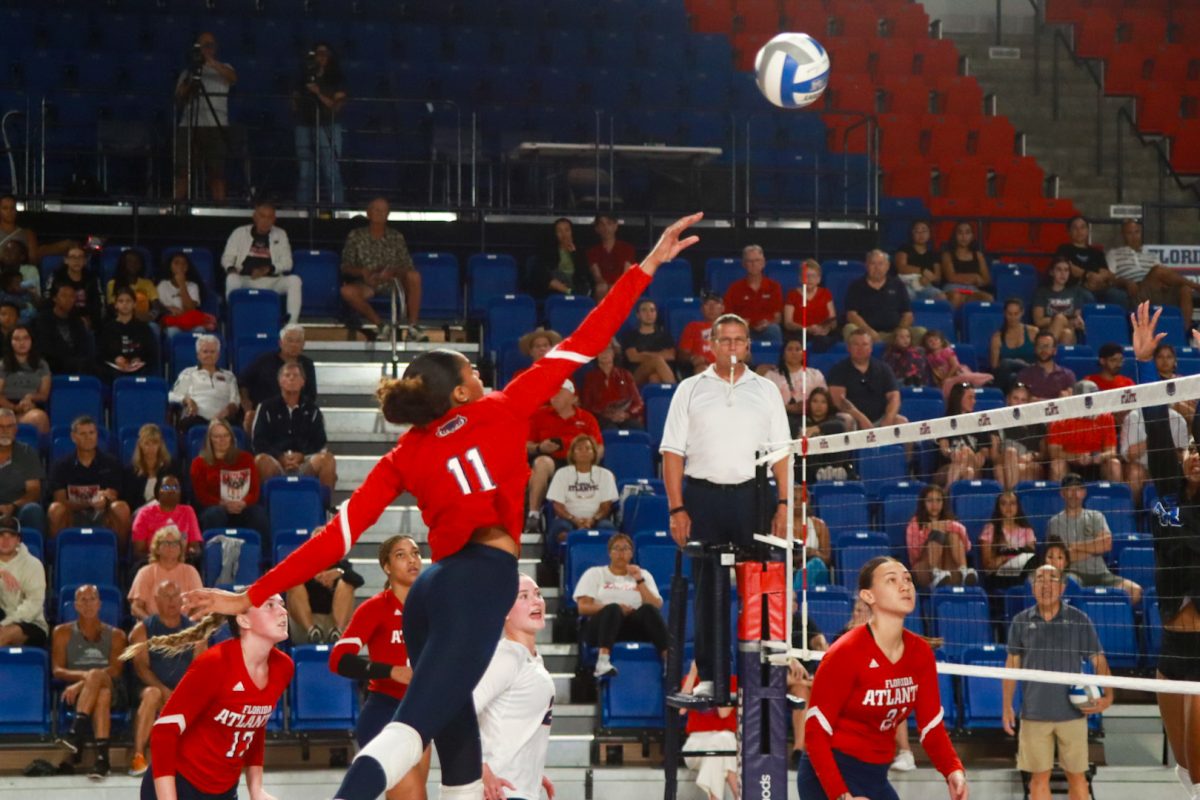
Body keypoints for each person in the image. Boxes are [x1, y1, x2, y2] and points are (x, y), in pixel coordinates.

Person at [181, 212, 704, 800]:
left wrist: (250, 592)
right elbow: (586, 339)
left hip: (434, 587)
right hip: (479, 581)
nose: (479, 370)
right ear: (459, 391)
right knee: (409, 729)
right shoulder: (504, 405)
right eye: (470, 369)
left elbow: (335, 538)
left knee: (458, 748)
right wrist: (648, 266)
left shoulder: (405, 452)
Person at [661, 310, 791, 697]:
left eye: (739, 340)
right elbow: (672, 453)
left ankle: (766, 674)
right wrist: (676, 508)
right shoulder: (690, 389)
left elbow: (781, 452)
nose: (732, 346)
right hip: (703, 497)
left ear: (748, 346)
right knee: (707, 589)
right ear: (711, 345)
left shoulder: (766, 390)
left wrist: (784, 503)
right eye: (725, 340)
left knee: (764, 585)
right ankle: (711, 677)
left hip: (755, 496)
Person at [796, 556, 968, 800]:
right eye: (892, 580)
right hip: (828, 773)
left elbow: (931, 727)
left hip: (875, 775)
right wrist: (841, 796)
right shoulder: (845, 652)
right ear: (868, 596)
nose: (905, 585)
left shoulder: (920, 653)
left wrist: (952, 770)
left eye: (907, 579)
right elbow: (815, 732)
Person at [120, 593, 292, 800]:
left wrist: (256, 788)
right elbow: (164, 732)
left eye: (282, 605)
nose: (283, 611)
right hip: (179, 784)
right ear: (243, 619)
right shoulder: (215, 663)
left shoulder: (283, 667)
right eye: (270, 605)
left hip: (224, 789)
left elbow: (254, 724)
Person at [1130, 301, 1200, 798]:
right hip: (1171, 644)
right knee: (1184, 764)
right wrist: (1142, 363)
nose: (1195, 456)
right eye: (1191, 450)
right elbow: (1156, 428)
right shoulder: (1168, 494)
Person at [328, 535, 431, 800]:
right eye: (401, 555)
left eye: (416, 553)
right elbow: (338, 659)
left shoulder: (434, 609)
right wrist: (391, 671)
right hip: (385, 714)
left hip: (422, 714)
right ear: (386, 567)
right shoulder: (375, 608)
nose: (412, 559)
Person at [1002, 563, 1112, 800]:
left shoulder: (1078, 620)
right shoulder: (1021, 622)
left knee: (1077, 777)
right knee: (1039, 778)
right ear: (1033, 587)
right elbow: (1011, 666)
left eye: (1052, 579)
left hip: (1072, 714)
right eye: (1040, 579)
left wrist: (1109, 695)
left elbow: (1098, 660)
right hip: (1034, 714)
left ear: (1062, 587)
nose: (1046, 585)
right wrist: (1006, 706)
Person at [474, 574, 556, 800]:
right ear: (504, 611)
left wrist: (532, 771)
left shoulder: (531, 659)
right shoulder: (506, 657)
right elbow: (458, 714)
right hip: (500, 792)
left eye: (538, 594)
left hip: (520, 788)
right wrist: (480, 767)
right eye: (523, 596)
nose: (536, 601)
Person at [125, 580, 203, 778]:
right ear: (156, 601)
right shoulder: (142, 629)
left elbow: (200, 668)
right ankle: (138, 756)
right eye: (166, 596)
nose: (172, 601)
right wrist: (164, 690)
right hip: (151, 688)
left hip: (183, 691)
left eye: (175, 596)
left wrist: (180, 693)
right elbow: (141, 668)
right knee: (152, 694)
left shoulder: (195, 631)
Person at [52, 584, 128, 780]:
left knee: (98, 677)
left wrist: (83, 681)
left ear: (99, 604)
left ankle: (76, 732)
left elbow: (115, 670)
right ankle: (103, 759)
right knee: (102, 695)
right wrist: (88, 680)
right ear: (75, 605)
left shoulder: (117, 635)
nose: (87, 604)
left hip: (112, 685)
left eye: (92, 599)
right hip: (88, 694)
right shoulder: (62, 632)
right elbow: (57, 670)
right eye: (82, 600)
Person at [573, 532, 668, 678]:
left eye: (625, 549)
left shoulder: (643, 574)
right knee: (613, 608)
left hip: (633, 627)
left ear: (631, 553)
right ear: (609, 553)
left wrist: (639, 580)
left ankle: (669, 662)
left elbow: (656, 605)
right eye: (616, 548)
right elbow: (583, 607)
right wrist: (616, 607)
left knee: (648, 610)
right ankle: (602, 662)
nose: (620, 553)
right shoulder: (595, 573)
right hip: (602, 627)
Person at [1045, 473, 1141, 604]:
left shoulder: (1096, 516)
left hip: (1101, 574)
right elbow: (1061, 558)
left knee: (1135, 591)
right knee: (1067, 588)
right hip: (1072, 574)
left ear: (1084, 492)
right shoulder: (1054, 522)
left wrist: (1075, 546)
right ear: (1062, 493)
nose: (1074, 494)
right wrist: (1095, 547)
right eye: (1069, 490)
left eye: (1078, 489)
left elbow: (1107, 545)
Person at [524, 379, 603, 533]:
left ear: (572, 397)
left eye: (559, 392)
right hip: (551, 459)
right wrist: (540, 447)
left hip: (577, 460)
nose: (554, 396)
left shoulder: (586, 418)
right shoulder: (539, 415)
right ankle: (533, 515)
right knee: (542, 462)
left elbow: (599, 446)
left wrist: (590, 460)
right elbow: (525, 445)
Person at [339, 196, 424, 341]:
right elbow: (345, 267)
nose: (380, 214)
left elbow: (407, 266)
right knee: (346, 291)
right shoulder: (356, 235)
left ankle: (413, 327)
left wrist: (392, 272)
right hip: (368, 283)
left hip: (394, 283)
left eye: (384, 211)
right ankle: (381, 326)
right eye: (376, 210)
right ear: (368, 213)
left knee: (414, 276)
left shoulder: (396, 236)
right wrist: (363, 272)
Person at [47, 415, 132, 547]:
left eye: (92, 433)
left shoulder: (111, 463)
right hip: (72, 514)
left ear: (97, 435)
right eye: (83, 434)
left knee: (121, 508)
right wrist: (89, 503)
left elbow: (114, 494)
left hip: (102, 514)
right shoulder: (61, 465)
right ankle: (56, 557)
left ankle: (119, 559)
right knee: (55, 509)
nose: (88, 437)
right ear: (73, 437)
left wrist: (107, 499)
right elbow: (60, 500)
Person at [251, 362, 337, 491]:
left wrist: (301, 456)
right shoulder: (266, 407)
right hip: (276, 461)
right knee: (261, 460)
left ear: (303, 382)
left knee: (327, 459)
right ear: (280, 381)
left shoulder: (312, 410)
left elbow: (320, 442)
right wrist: (280, 456)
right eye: (287, 375)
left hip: (304, 462)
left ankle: (324, 508)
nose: (291, 378)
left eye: (296, 375)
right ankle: (265, 507)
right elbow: (258, 441)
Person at [174, 31, 236, 201]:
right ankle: (176, 206)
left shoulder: (225, 67)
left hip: (216, 126)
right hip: (190, 125)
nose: (207, 48)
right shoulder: (188, 72)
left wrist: (211, 63)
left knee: (217, 172)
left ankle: (219, 210)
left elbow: (232, 78)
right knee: (182, 170)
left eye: (210, 45)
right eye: (204, 45)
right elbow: (180, 96)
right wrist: (194, 77)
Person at [220, 201, 303, 324]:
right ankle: (235, 319)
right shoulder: (240, 232)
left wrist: (268, 269)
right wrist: (231, 268)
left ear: (274, 219)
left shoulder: (280, 234)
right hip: (245, 279)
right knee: (231, 278)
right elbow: (227, 257)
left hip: (271, 280)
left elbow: (287, 263)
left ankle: (291, 325)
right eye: (262, 216)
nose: (266, 221)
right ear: (255, 217)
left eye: (270, 217)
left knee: (295, 280)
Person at [190, 418, 270, 541]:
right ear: (209, 439)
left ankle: (264, 557)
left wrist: (243, 503)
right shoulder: (199, 463)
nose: (222, 440)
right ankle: (212, 554)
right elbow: (200, 495)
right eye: (217, 436)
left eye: (225, 436)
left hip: (242, 506)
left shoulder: (246, 459)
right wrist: (222, 504)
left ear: (231, 438)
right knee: (215, 514)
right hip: (214, 507)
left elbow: (254, 491)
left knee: (258, 514)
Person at [1109, 218, 1200, 324]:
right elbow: (1111, 279)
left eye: (1137, 232)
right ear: (1123, 235)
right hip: (1138, 291)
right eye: (1129, 233)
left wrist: (1165, 284)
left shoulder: (1151, 255)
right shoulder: (1113, 254)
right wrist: (1126, 282)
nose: (1134, 236)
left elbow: (1165, 276)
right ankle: (1197, 286)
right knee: (1157, 270)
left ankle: (1184, 333)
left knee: (1185, 289)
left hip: (1157, 292)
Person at [293, 42, 347, 205]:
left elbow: (336, 107)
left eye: (325, 53)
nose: (321, 56)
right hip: (304, 124)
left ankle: (336, 208)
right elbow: (294, 102)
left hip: (327, 125)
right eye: (318, 53)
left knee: (331, 170)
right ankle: (303, 210)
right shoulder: (304, 76)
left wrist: (318, 93)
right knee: (305, 172)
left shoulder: (338, 78)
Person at [238, 323, 317, 432]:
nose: (294, 345)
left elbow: (311, 395)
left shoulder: (307, 364)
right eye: (290, 340)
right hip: (264, 416)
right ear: (280, 343)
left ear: (303, 344)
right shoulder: (264, 361)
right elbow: (243, 381)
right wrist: (247, 407)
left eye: (298, 341)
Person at [545, 434, 618, 552]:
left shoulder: (605, 475)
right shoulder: (562, 473)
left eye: (588, 448)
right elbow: (557, 506)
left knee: (607, 528)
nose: (584, 452)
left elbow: (606, 506)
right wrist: (574, 520)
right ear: (572, 453)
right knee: (561, 529)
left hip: (597, 519)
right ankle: (561, 563)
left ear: (594, 452)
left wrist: (592, 520)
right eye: (579, 449)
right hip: (568, 519)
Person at [680, 661, 740, 800]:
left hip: (723, 743)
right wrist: (693, 673)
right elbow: (681, 709)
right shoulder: (691, 680)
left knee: (720, 745)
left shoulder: (732, 682)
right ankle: (739, 794)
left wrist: (719, 682)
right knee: (723, 745)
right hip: (696, 744)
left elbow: (723, 712)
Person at [827, 328, 905, 430]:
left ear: (871, 348)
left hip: (881, 419)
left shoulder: (884, 369)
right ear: (848, 348)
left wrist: (888, 418)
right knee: (846, 420)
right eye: (856, 344)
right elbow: (840, 402)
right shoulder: (838, 370)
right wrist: (861, 419)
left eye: (864, 344)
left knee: (902, 422)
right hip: (854, 419)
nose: (860, 348)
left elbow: (894, 397)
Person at [1045, 381, 1122, 482]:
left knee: (1114, 464)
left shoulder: (1106, 417)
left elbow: (1111, 451)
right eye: (1087, 400)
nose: (1091, 403)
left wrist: (1098, 457)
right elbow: (1054, 453)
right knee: (1057, 465)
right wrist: (1076, 457)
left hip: (1097, 465)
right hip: (1070, 464)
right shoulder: (1060, 418)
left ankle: (1117, 497)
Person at [905, 484, 977, 589]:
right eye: (930, 501)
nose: (935, 505)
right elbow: (914, 555)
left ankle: (963, 569)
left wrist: (942, 525)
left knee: (953, 535)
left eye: (938, 500)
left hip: (949, 570)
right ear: (923, 503)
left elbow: (967, 546)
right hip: (925, 570)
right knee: (937, 534)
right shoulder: (915, 523)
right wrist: (930, 531)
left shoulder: (950, 521)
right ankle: (936, 572)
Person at [128, 525, 203, 621]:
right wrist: (152, 624)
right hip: (153, 629)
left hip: (185, 629)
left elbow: (200, 605)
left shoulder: (190, 571)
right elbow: (136, 608)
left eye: (175, 543)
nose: (170, 547)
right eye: (166, 543)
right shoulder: (145, 572)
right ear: (157, 548)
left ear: (181, 549)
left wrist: (186, 625)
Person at [841, 249, 916, 344]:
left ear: (887, 266)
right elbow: (851, 315)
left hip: (894, 335)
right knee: (849, 328)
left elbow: (908, 314)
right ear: (866, 265)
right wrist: (869, 331)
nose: (877, 268)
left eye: (881, 264)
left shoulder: (898, 285)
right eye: (873, 264)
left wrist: (899, 331)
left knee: (920, 332)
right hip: (865, 335)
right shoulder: (856, 286)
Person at [169, 334, 240, 433]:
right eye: (205, 352)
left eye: (212, 352)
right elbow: (172, 395)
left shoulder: (229, 376)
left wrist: (228, 410)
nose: (209, 355)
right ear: (198, 354)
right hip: (196, 417)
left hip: (223, 418)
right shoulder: (188, 373)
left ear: (218, 355)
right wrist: (187, 400)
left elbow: (235, 400)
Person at [1120, 404, 1188, 503]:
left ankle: (1177, 505)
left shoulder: (1178, 419)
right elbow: (1129, 455)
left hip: (1168, 467)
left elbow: (1182, 455)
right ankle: (1136, 510)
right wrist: (1153, 437)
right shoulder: (1133, 417)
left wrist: (1165, 441)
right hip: (1142, 468)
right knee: (1135, 473)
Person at [287, 556, 362, 645]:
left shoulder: (342, 566)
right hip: (304, 625)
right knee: (295, 585)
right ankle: (312, 631)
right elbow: (285, 577)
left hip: (332, 623)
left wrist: (340, 573)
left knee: (346, 584)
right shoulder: (301, 562)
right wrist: (312, 576)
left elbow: (359, 580)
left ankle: (338, 631)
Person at [131, 474, 201, 565]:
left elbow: (195, 546)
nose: (172, 490)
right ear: (158, 492)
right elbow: (138, 551)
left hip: (182, 563)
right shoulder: (144, 513)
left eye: (176, 487)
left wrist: (191, 552)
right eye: (166, 487)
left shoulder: (188, 511)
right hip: (153, 563)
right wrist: (163, 559)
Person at [0, 513, 48, 648]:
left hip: (30, 623)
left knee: (5, 635)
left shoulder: (33, 565)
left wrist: (4, 624)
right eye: (1, 535)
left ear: (18, 540)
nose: (5, 540)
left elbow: (33, 606)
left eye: (11, 536)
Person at [978, 491, 1038, 592]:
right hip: (999, 576)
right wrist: (1007, 558)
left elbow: (1030, 560)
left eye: (1012, 503)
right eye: (1004, 503)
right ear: (998, 507)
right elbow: (987, 565)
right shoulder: (990, 529)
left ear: (1018, 506)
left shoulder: (1027, 531)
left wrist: (1006, 558)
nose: (1008, 507)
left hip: (1022, 574)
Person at [1058, 215, 1123, 306]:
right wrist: (1089, 275)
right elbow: (1071, 270)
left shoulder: (1097, 253)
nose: (1079, 231)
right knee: (1087, 296)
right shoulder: (1064, 249)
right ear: (1069, 232)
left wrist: (1088, 275)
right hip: (1076, 287)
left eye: (1082, 227)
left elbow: (1105, 273)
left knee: (1117, 295)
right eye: (1075, 228)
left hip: (1099, 287)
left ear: (1088, 231)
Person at [765, 338, 826, 436]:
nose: (794, 352)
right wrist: (788, 408)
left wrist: (808, 406)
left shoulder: (815, 374)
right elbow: (766, 403)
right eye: (790, 349)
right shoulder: (771, 376)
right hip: (782, 417)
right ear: (783, 354)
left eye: (798, 349)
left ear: (803, 354)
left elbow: (824, 399)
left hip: (811, 417)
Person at [724, 244, 783, 345]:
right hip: (743, 329)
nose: (753, 264)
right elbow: (728, 315)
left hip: (767, 328)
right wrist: (741, 323)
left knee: (774, 329)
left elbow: (778, 316)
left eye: (757, 260)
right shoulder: (735, 288)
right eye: (749, 261)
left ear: (763, 263)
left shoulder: (774, 286)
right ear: (744, 264)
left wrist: (768, 323)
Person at [991, 382, 1046, 490]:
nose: (1019, 403)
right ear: (1008, 400)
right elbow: (994, 457)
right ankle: (1013, 498)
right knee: (1006, 459)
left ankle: (1008, 498)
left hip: (1031, 464)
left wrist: (1032, 456)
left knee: (1001, 470)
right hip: (1007, 462)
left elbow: (1045, 454)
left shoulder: (1038, 424)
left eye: (1023, 400)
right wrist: (1011, 458)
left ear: (1028, 402)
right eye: (1015, 398)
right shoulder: (997, 421)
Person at [98, 286, 159, 383]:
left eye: (128, 301)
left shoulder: (143, 328)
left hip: (139, 371)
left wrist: (139, 359)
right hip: (113, 372)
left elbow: (152, 353)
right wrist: (115, 359)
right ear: (116, 305)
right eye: (121, 301)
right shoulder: (107, 328)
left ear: (134, 304)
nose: (125, 304)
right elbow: (100, 353)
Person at [581, 340, 644, 430]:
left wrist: (627, 414)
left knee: (635, 428)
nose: (604, 353)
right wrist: (607, 414)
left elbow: (638, 403)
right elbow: (586, 406)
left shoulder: (626, 375)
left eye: (608, 349)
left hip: (625, 416)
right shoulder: (590, 378)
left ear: (613, 353)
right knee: (610, 429)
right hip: (603, 418)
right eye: (600, 350)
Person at [35, 281, 95, 375]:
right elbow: (45, 349)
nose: (69, 299)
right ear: (55, 298)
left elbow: (83, 347)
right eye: (64, 296)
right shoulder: (42, 320)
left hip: (77, 366)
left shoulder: (77, 321)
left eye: (72, 296)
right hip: (52, 366)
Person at [0, 408, 46, 532]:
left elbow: (34, 491)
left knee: (33, 510)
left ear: (15, 430)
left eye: (9, 426)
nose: (4, 431)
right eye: (0, 427)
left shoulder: (27, 453)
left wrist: (12, 506)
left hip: (17, 508)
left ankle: (32, 550)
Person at [934, 384, 989, 486]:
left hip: (973, 465)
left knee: (966, 453)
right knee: (966, 470)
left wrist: (981, 455)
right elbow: (944, 448)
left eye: (974, 398)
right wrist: (952, 453)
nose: (974, 401)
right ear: (958, 399)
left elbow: (984, 450)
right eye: (970, 397)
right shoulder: (945, 421)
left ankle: (948, 495)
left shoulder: (978, 422)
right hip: (949, 466)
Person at [0, 324, 50, 433]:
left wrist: (30, 397)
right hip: (6, 409)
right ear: (10, 342)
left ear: (32, 340)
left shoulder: (42, 364)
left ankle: (38, 450)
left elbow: (44, 394)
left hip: (31, 407)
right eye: (16, 339)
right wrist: (14, 407)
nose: (21, 343)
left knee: (39, 417)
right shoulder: (3, 365)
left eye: (25, 338)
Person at [0, 193, 75, 263]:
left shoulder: (27, 233)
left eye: (12, 208)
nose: (9, 211)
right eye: (5, 208)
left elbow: (33, 259)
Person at [1031, 258, 1091, 346]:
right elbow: (1038, 321)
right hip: (1047, 331)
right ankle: (1051, 351)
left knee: (1066, 328)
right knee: (1065, 332)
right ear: (1051, 272)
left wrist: (1062, 319)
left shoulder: (1075, 292)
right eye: (1059, 269)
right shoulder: (1042, 292)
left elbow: (1076, 319)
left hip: (1070, 330)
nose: (1063, 274)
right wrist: (1058, 319)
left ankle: (1047, 349)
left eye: (1066, 270)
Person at [121, 423, 179, 514]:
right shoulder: (131, 470)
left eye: (155, 443)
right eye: (147, 443)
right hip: (141, 514)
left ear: (160, 444)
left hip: (167, 511)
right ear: (140, 445)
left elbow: (178, 495)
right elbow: (129, 501)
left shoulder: (171, 467)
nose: (151, 448)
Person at [783, 258, 838, 352]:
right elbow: (788, 323)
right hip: (799, 333)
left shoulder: (826, 293)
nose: (810, 279)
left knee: (827, 339)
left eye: (813, 276)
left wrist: (825, 329)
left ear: (819, 279)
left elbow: (833, 321)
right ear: (800, 278)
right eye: (806, 276)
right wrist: (807, 329)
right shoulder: (792, 294)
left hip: (822, 334)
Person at [619, 297, 677, 385]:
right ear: (638, 315)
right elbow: (633, 357)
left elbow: (671, 355)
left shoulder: (665, 335)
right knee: (657, 360)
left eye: (652, 310)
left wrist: (644, 354)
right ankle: (676, 393)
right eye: (644, 310)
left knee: (654, 378)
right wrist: (658, 356)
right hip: (636, 374)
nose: (649, 314)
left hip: (658, 374)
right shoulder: (630, 336)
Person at [156, 251, 216, 336]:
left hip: (190, 322)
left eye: (184, 264)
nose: (180, 266)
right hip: (173, 322)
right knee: (173, 331)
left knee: (199, 330)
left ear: (187, 268)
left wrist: (182, 284)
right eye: (176, 263)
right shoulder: (163, 285)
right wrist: (169, 308)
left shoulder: (193, 286)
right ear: (170, 266)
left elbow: (190, 309)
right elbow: (159, 307)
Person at [803, 388, 856, 481]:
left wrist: (817, 428)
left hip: (833, 464)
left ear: (828, 404)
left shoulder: (835, 420)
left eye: (823, 402)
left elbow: (839, 426)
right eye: (815, 401)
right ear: (809, 403)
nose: (818, 405)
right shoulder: (802, 422)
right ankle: (820, 473)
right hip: (810, 470)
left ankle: (836, 472)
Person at [47, 244, 104, 331]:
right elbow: (49, 301)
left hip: (87, 320)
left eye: (80, 257)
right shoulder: (57, 277)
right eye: (73, 257)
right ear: (66, 260)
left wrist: (91, 320)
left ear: (85, 261)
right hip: (62, 318)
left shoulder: (92, 278)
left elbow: (98, 304)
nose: (77, 261)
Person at [939, 220, 992, 310]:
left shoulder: (978, 255)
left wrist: (979, 281)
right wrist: (974, 277)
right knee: (956, 296)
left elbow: (986, 279)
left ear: (972, 236)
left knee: (987, 298)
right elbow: (951, 277)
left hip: (972, 290)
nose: (964, 237)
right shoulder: (947, 255)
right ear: (955, 236)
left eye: (967, 233)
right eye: (960, 233)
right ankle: (952, 323)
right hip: (953, 289)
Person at [533, 217, 592, 299]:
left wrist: (574, 253)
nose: (564, 234)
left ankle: (571, 292)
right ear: (555, 234)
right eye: (559, 231)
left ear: (572, 232)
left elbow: (584, 273)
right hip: (557, 284)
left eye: (567, 230)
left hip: (574, 283)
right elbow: (546, 272)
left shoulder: (580, 250)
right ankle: (570, 292)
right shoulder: (549, 251)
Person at [989, 298, 1039, 392]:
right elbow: (995, 368)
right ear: (1004, 313)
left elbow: (1041, 357)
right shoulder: (997, 337)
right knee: (1010, 370)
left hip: (1030, 374)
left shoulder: (1033, 332)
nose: (1013, 318)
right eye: (1009, 314)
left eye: (1016, 314)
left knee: (1013, 371)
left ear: (1022, 313)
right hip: (1006, 379)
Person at [923, 328, 991, 397]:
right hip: (944, 378)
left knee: (963, 378)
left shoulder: (946, 351)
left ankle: (986, 379)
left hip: (957, 372)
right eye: (930, 341)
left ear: (941, 341)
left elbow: (955, 365)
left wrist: (947, 378)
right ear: (926, 344)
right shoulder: (929, 357)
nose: (933, 342)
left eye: (936, 340)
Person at [893, 219, 945, 302]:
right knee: (909, 295)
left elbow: (937, 277)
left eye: (924, 231)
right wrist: (922, 270)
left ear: (929, 234)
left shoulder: (933, 254)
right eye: (917, 231)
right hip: (906, 284)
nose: (921, 234)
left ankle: (927, 313)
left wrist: (927, 279)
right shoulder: (904, 248)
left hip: (925, 285)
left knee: (940, 296)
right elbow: (901, 267)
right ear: (912, 234)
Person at [587, 213, 636, 301]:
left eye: (609, 223)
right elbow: (597, 276)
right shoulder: (593, 251)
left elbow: (626, 274)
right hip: (603, 287)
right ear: (597, 229)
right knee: (601, 288)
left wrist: (615, 286)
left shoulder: (627, 248)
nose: (606, 228)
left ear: (615, 226)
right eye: (602, 224)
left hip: (621, 285)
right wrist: (607, 286)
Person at [1015, 332, 1076, 400]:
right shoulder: (1024, 375)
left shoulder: (1067, 375)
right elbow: (1021, 400)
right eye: (1040, 346)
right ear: (1035, 349)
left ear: (1054, 350)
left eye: (1046, 346)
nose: (1043, 350)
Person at [105, 249, 160, 324]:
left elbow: (156, 307)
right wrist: (130, 317)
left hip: (144, 320)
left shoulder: (148, 283)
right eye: (129, 261)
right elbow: (112, 308)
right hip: (122, 320)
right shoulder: (112, 284)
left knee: (153, 327)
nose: (133, 264)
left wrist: (150, 316)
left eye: (137, 262)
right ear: (123, 264)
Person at [678, 292, 723, 373]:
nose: (711, 308)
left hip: (726, 367)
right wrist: (693, 358)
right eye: (707, 304)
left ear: (723, 308)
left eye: (716, 304)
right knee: (702, 370)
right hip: (704, 367)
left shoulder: (731, 327)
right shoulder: (692, 327)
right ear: (702, 309)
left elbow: (746, 356)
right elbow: (682, 355)